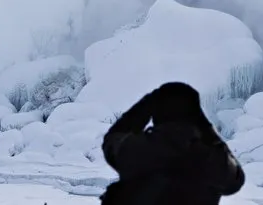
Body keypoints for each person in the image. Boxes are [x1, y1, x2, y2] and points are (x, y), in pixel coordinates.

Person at [100, 82, 245, 205]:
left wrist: (147, 105)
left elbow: (113, 138)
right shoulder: (212, 159)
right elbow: (236, 179)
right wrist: (204, 125)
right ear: (194, 115)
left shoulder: (135, 149)